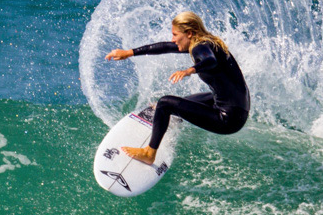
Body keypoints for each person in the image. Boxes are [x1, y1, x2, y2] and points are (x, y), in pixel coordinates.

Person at [105, 11, 250, 164]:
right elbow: (164, 47)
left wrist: (190, 70)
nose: (173, 39)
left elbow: (210, 61)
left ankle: (149, 153)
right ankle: (168, 118)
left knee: (165, 103)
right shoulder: (206, 42)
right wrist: (129, 52)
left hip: (228, 119)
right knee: (180, 103)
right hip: (238, 109)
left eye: (175, 35)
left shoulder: (200, 49)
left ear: (189, 33)